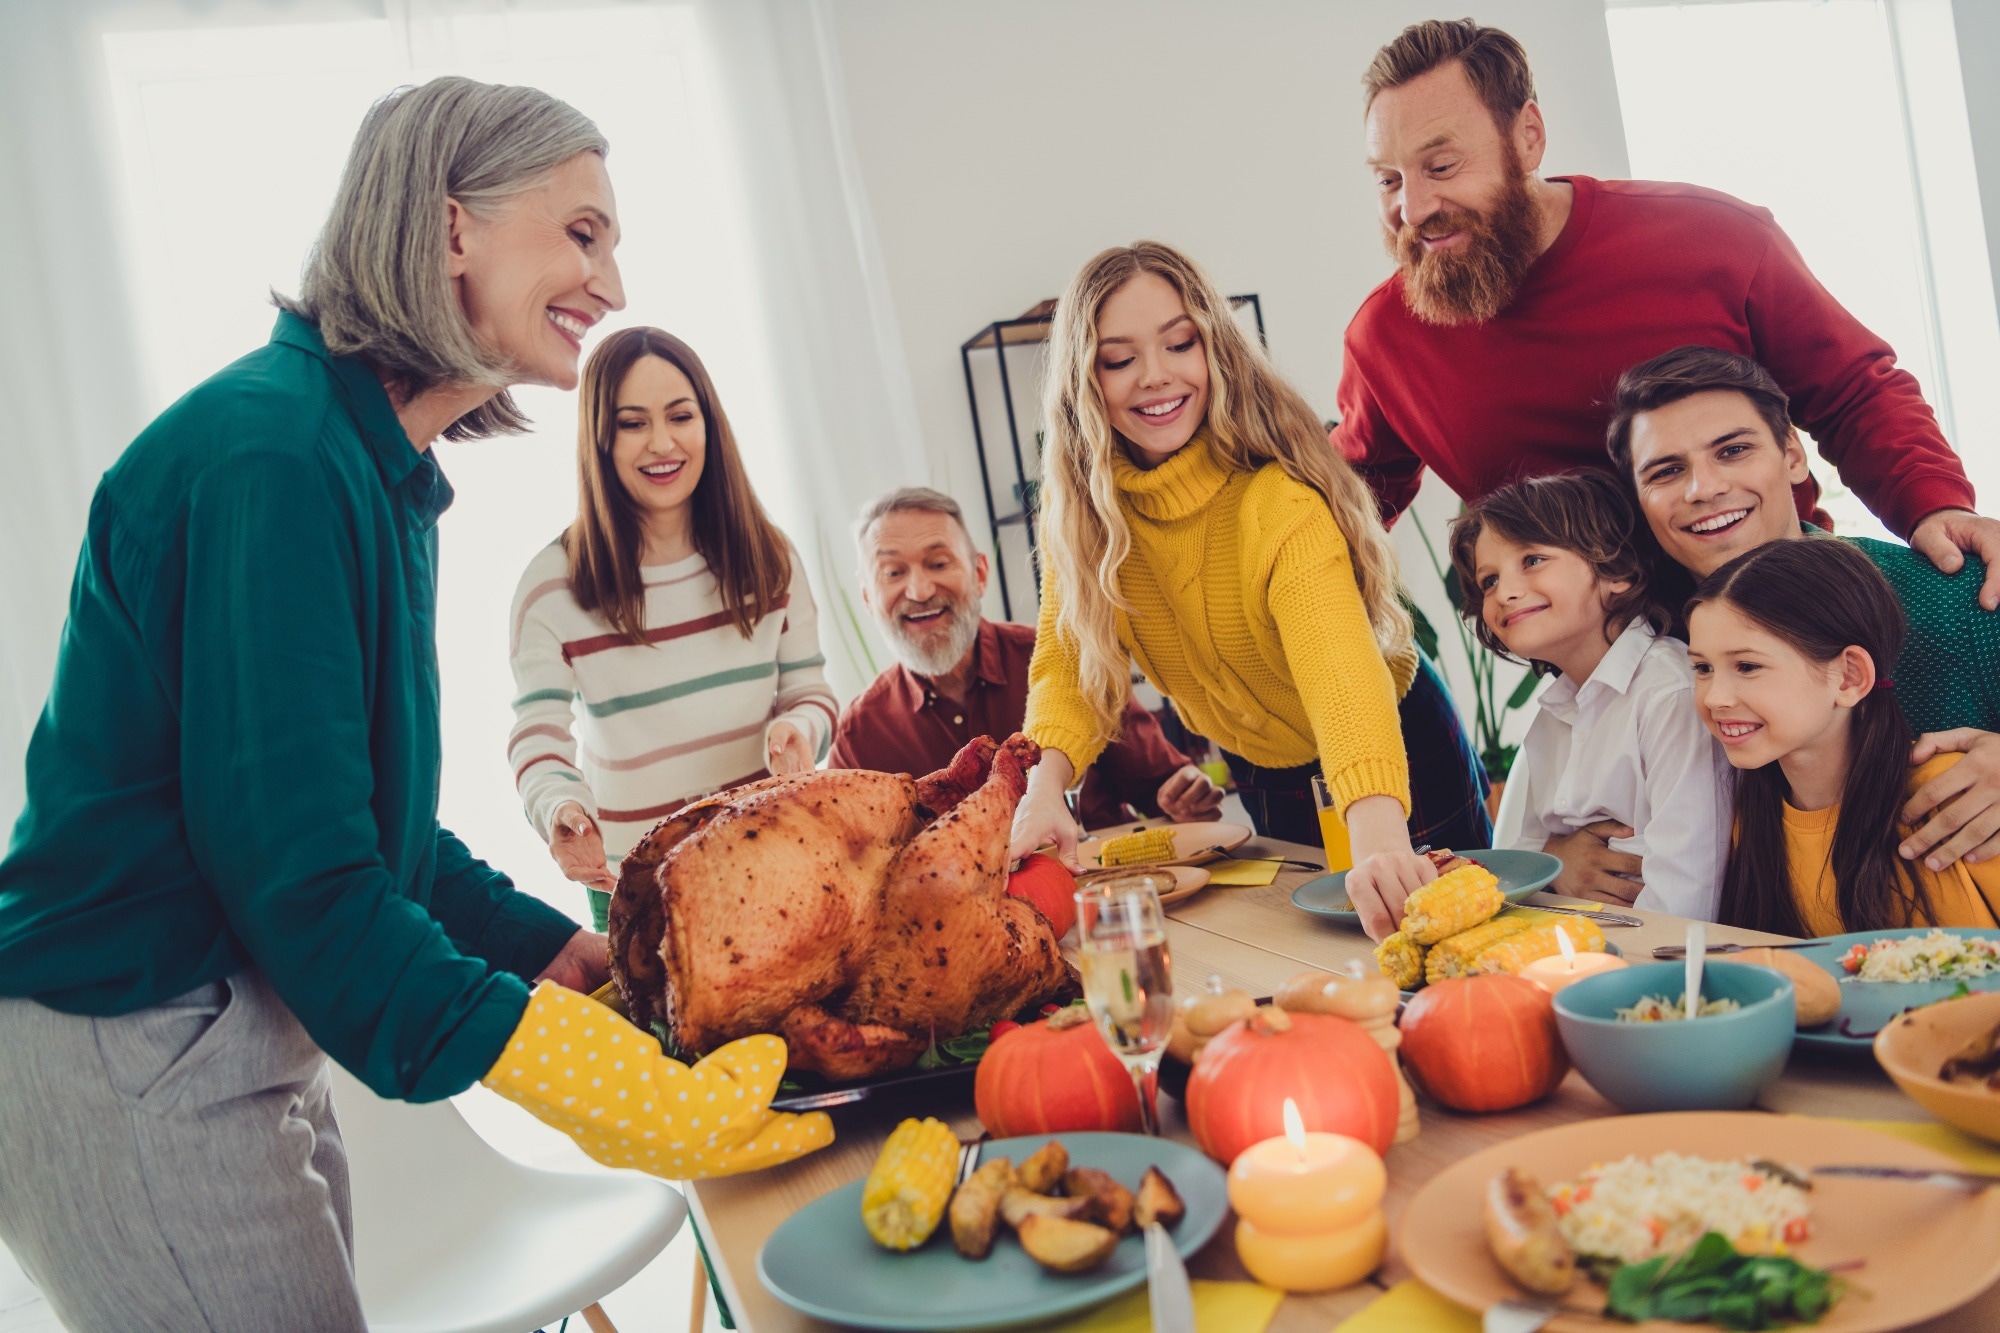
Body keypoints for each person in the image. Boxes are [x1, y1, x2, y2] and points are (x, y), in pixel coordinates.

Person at [0, 79, 828, 1333]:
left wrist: (550, 954)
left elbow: (364, 821)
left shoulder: (368, 464)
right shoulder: (272, 459)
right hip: (135, 1033)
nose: (612, 283)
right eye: (584, 233)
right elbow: (300, 875)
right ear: (452, 231)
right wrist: (562, 1061)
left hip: (222, 1030)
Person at [1335, 19, 2000, 607]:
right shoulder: (1384, 338)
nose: (1414, 208)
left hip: (1789, 623)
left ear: (1528, 137)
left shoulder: (1714, 236)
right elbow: (1346, 499)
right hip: (1607, 685)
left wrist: (1933, 502)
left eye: (1442, 165)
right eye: (1388, 179)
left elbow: (1854, 390)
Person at [1006, 240, 1490, 942]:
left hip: (1391, 750)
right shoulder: (1083, 519)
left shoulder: (1278, 502)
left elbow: (1341, 678)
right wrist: (1044, 789)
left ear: (1216, 350)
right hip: (1266, 770)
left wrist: (1380, 831)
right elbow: (1069, 669)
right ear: (1085, 379)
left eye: (1180, 343)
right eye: (1119, 359)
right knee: (1322, 958)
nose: (1156, 376)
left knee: (1461, 947)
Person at [1607, 344, 2000, 879]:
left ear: (1793, 455)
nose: (1705, 488)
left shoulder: (1959, 593)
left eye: (1733, 450)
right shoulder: (1645, 656)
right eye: (1667, 471)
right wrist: (1569, 857)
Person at [509, 326, 837, 930]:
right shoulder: (552, 585)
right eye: (633, 423)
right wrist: (559, 807)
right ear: (600, 439)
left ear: (707, 423)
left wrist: (798, 729)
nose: (662, 442)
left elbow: (810, 693)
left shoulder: (771, 557)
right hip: (634, 885)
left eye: (680, 416)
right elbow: (538, 738)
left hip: (766, 857)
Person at [830, 486, 1223, 829]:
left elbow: (1163, 788)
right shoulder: (859, 738)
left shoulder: (1061, 663)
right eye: (893, 573)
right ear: (867, 598)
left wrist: (1184, 794)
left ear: (980, 573)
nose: (918, 589)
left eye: (938, 564)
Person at [1449, 471, 1730, 917]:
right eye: (1489, 581)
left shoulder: (1669, 692)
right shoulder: (1552, 718)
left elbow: (1686, 898)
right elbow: (1506, 877)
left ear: (1616, 571)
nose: (1506, 592)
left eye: (1533, 560)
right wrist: (1556, 862)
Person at [1687, 538, 1999, 935]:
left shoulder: (1963, 794)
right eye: (1702, 668)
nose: (1715, 698)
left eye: (1747, 666)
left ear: (1850, 676)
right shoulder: (1743, 817)